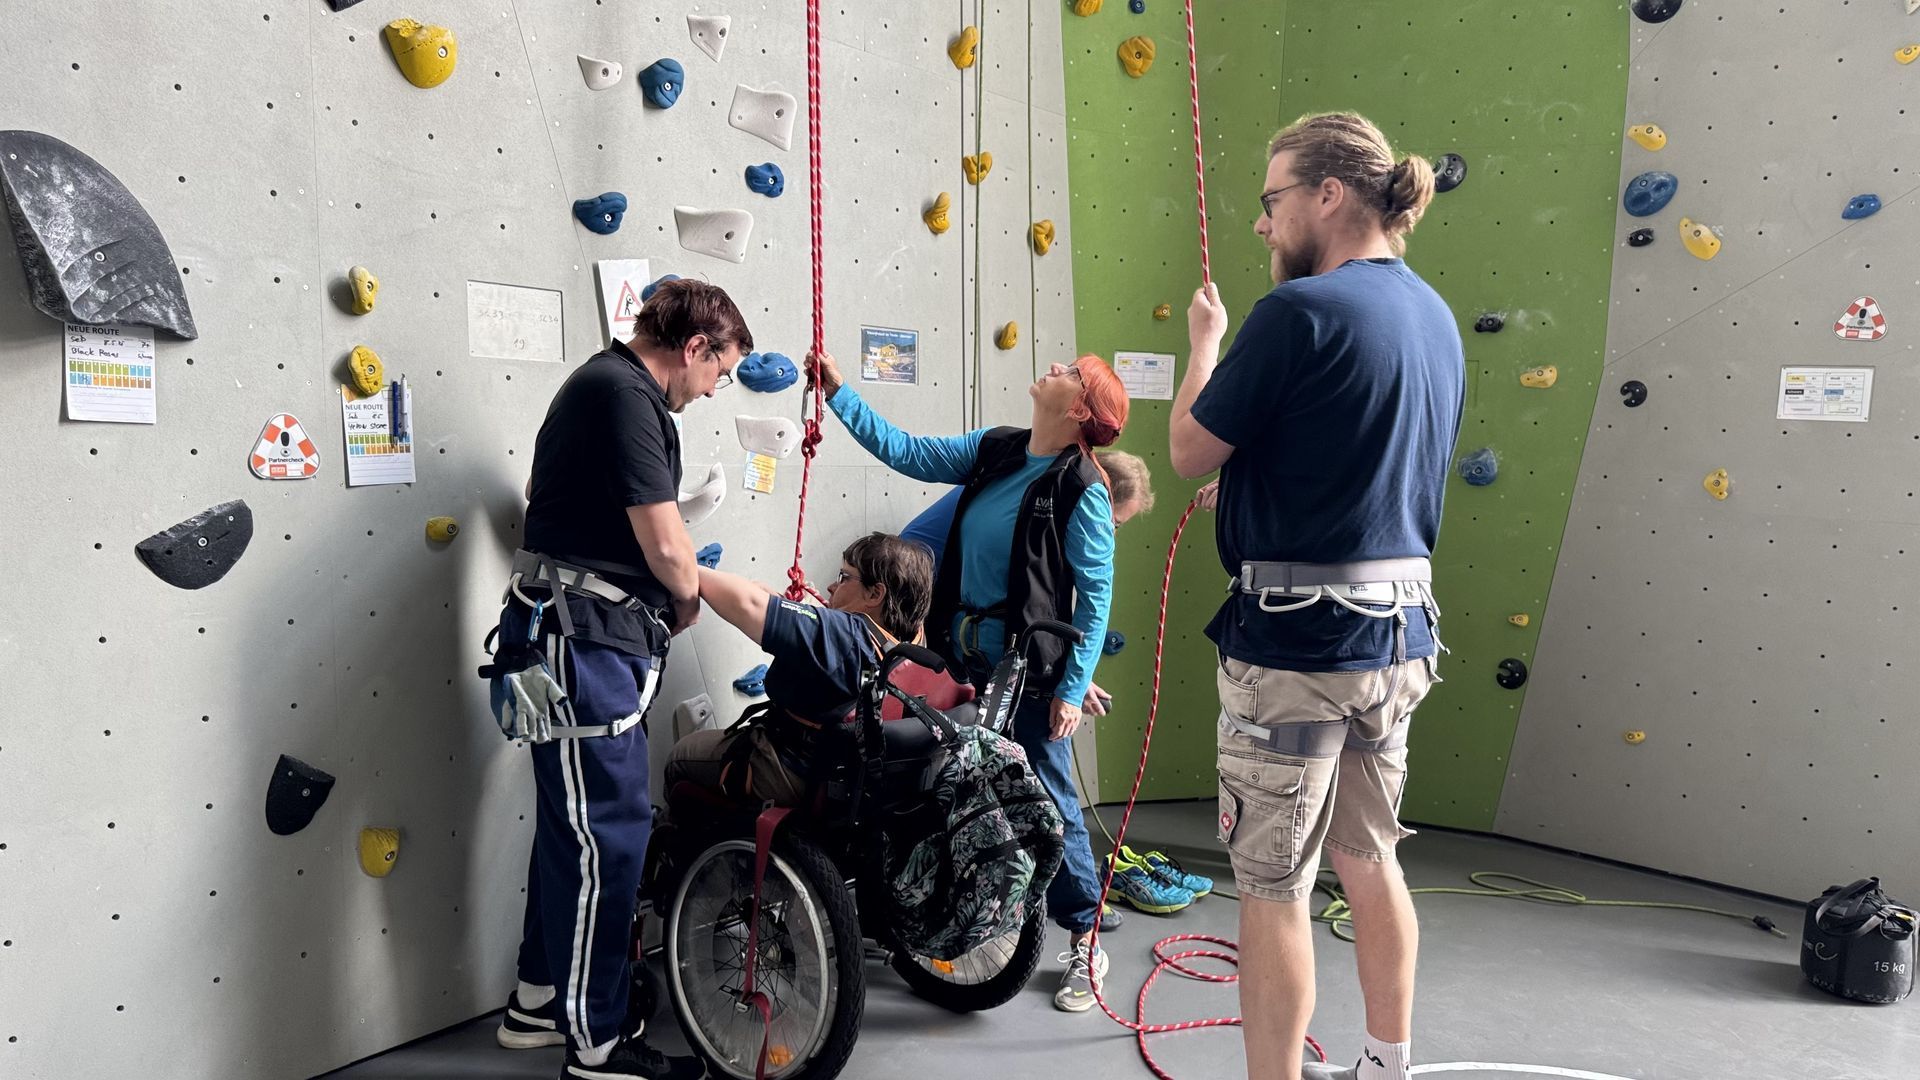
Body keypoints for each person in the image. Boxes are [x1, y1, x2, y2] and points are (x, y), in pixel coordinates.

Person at [1167, 112, 1465, 1080]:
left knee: (1273, 887)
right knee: (1370, 859)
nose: (1262, 225)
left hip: (1296, 656)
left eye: (1272, 200)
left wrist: (1201, 343)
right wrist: (1258, 487)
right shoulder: (1431, 314)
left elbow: (1183, 451)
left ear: (1326, 195)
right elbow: (1365, 465)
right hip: (1398, 643)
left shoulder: (1295, 314)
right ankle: (1386, 1064)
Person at [809, 346, 1129, 1014]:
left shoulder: (1084, 490)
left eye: (1069, 370)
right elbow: (906, 450)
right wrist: (839, 394)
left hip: (1029, 675)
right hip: (962, 664)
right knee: (942, 789)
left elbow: (1095, 602)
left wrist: (1073, 688)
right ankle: (941, 915)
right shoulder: (996, 450)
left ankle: (1083, 939)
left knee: (1051, 797)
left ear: (1079, 410)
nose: (1054, 365)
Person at [492, 279, 747, 1080]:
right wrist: (684, 596)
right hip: (584, 645)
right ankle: (598, 1045)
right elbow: (670, 549)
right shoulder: (627, 395)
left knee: (577, 834)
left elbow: (546, 498)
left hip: (571, 634)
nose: (711, 393)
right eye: (719, 373)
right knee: (611, 839)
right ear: (695, 346)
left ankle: (539, 1000)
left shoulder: (598, 388)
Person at [899, 449, 1161, 932]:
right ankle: (1080, 914)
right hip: (922, 608)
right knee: (1042, 780)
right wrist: (1062, 680)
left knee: (984, 775)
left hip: (963, 630)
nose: (1110, 534)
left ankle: (996, 897)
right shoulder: (1046, 500)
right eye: (1114, 523)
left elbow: (1025, 598)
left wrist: (1070, 676)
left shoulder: (1035, 490)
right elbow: (1023, 598)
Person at [662, 532, 942, 805]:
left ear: (875, 593)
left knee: (680, 756)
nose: (832, 586)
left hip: (792, 770)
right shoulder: (913, 640)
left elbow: (748, 604)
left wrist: (681, 565)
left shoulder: (846, 636)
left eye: (844, 577)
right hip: (844, 779)